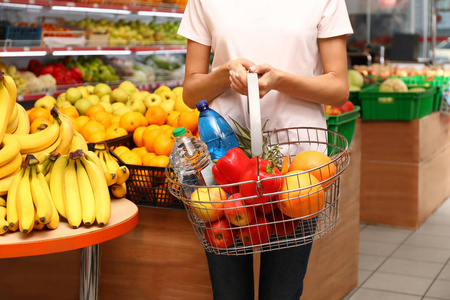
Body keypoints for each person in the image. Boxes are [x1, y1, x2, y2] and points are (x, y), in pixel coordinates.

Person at [177, 1, 353, 299]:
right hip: (226, 165)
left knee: (283, 292)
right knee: (229, 292)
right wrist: (225, 75)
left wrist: (280, 80)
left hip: (297, 168)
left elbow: (338, 88)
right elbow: (191, 93)